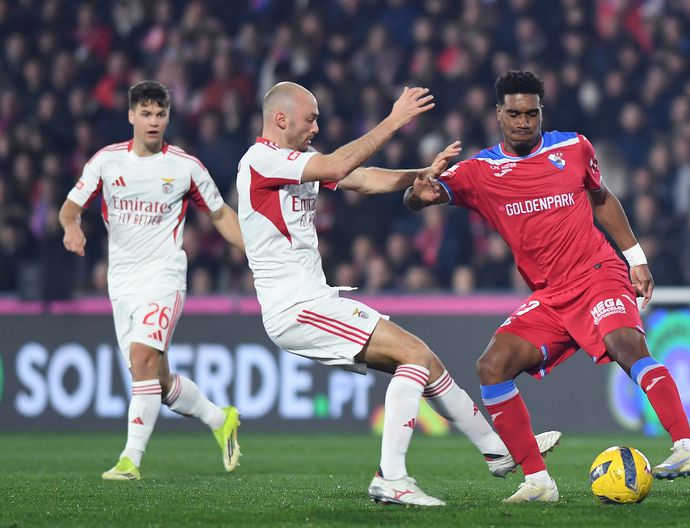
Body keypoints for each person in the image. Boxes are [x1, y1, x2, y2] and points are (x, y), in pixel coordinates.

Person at [236, 81, 560, 506]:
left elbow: (365, 179)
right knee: (413, 356)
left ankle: (497, 450)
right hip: (295, 307)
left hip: (314, 301)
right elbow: (335, 168)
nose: (317, 125)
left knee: (426, 360)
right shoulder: (262, 160)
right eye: (310, 117)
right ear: (281, 119)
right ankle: (391, 476)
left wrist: (423, 174)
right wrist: (394, 120)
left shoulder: (296, 161)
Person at [405, 70, 690, 503]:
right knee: (492, 366)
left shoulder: (573, 147)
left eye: (532, 113)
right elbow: (420, 197)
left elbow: (601, 199)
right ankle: (538, 481)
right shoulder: (480, 172)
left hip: (598, 274)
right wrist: (418, 193)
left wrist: (636, 258)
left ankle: (686, 447)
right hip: (550, 296)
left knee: (627, 346)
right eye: (514, 113)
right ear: (498, 114)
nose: (524, 122)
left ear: (541, 112)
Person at [59, 81, 245, 480]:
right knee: (154, 379)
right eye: (145, 113)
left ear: (168, 117)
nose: (153, 121)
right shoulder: (107, 163)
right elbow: (69, 209)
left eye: (160, 114)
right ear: (131, 116)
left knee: (143, 359)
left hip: (164, 276)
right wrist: (71, 228)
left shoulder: (185, 167)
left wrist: (257, 252)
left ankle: (130, 460)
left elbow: (221, 215)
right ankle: (220, 418)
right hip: (122, 282)